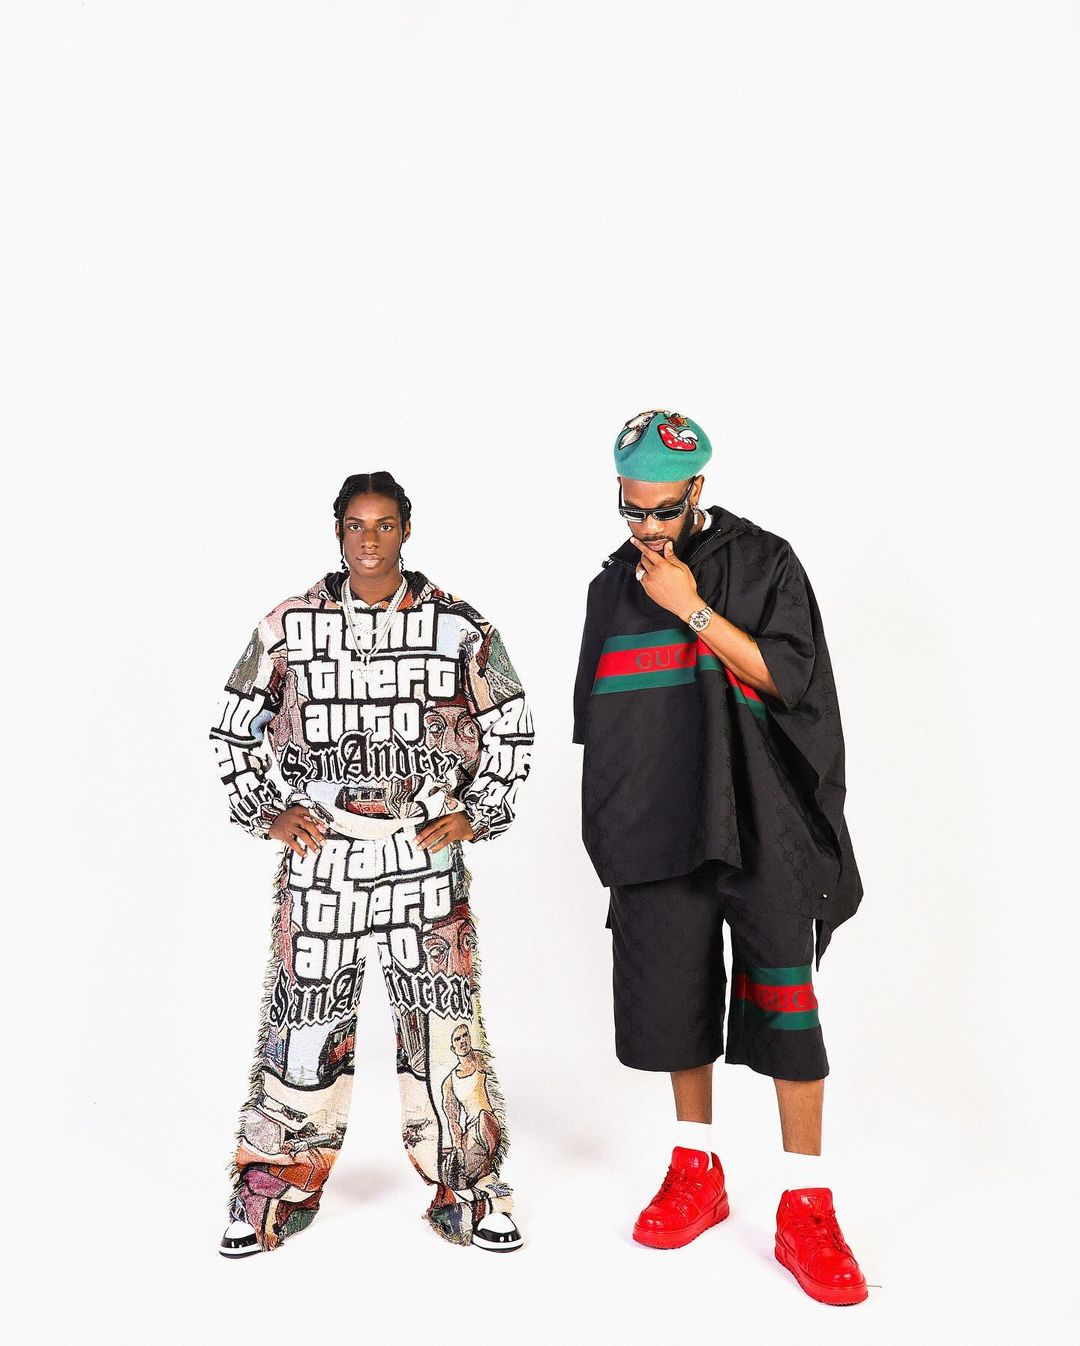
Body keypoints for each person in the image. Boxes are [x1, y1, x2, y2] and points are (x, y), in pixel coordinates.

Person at [573, 410, 868, 1306]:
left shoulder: (765, 561)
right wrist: (615, 828)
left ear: (698, 488)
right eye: (633, 510)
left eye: (664, 509)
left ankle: (806, 1204)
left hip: (763, 813)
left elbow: (789, 680)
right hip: (661, 818)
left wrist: (690, 608)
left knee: (788, 1007)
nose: (649, 528)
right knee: (676, 997)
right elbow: (601, 724)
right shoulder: (610, 588)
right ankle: (696, 1170)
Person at [211, 471, 532, 1257]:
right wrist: (266, 811)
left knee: (445, 1024)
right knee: (302, 1024)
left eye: (384, 525)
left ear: (406, 530)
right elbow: (232, 725)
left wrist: (478, 811)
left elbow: (513, 723)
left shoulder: (459, 626)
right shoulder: (289, 625)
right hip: (322, 860)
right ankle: (275, 1188)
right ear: (337, 532)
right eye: (356, 525)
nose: (369, 540)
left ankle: (471, 1190)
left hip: (421, 857)